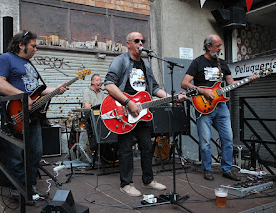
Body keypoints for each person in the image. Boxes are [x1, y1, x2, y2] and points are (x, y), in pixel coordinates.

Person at [104, 32, 186, 197]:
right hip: (125, 111)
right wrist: (128, 103)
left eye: (143, 40)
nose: (141, 43)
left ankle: (148, 180)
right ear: (128, 44)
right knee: (126, 149)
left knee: (147, 147)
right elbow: (109, 85)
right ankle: (126, 184)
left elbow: (154, 88)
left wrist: (172, 98)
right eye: (137, 41)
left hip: (142, 113)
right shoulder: (120, 61)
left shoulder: (146, 65)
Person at [0, 31, 68, 196]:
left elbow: (37, 89)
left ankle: (30, 188)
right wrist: (22, 97)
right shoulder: (5, 59)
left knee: (35, 153)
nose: (35, 49)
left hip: (32, 116)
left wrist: (56, 90)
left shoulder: (29, 64)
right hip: (13, 114)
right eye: (33, 45)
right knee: (16, 155)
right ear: (21, 45)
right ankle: (17, 190)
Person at [181, 34, 258, 181]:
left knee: (228, 139)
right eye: (217, 46)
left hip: (221, 106)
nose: (220, 49)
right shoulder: (197, 62)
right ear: (208, 47)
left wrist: (248, 81)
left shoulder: (222, 63)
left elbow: (231, 83)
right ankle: (207, 169)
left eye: (221, 46)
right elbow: (184, 83)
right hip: (203, 106)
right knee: (205, 142)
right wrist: (203, 91)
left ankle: (227, 169)